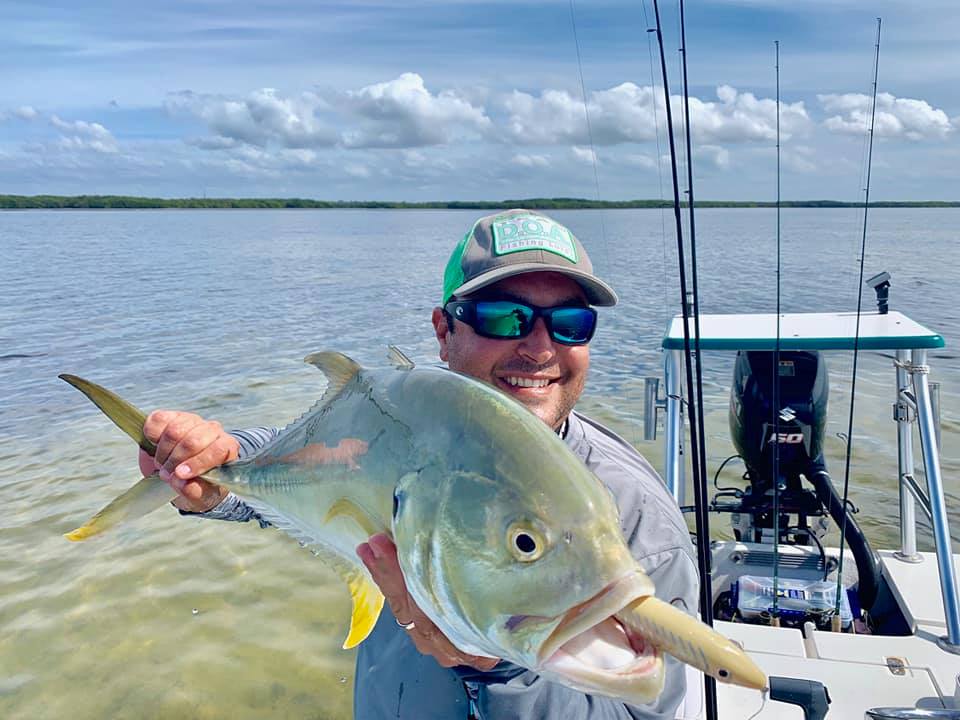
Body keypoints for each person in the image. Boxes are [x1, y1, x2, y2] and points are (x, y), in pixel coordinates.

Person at [142, 209, 699, 719]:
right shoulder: (405, 429)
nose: (539, 348)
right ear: (443, 330)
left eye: (571, 322)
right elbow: (303, 469)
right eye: (504, 318)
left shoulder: (640, 523)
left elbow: (649, 711)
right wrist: (212, 468)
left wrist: (504, 670)